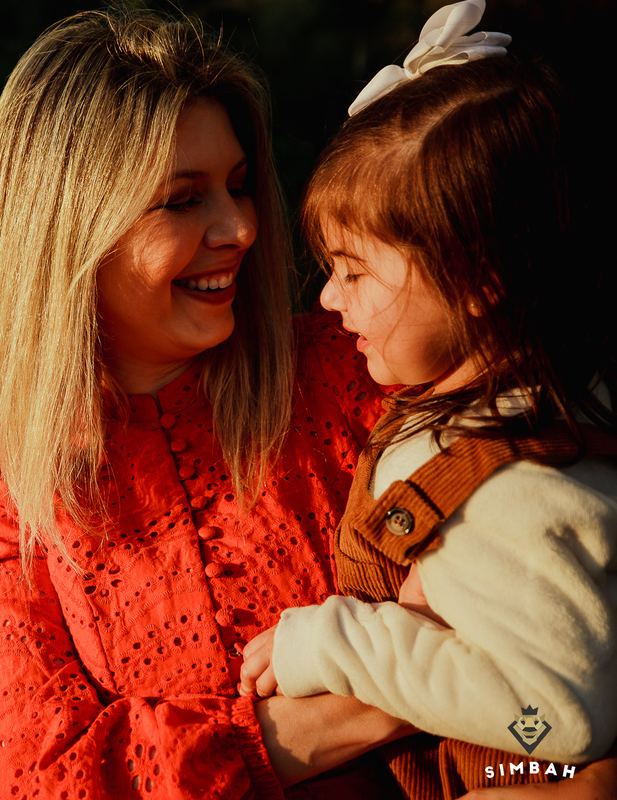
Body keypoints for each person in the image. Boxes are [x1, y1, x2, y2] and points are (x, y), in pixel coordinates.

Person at [0, 8, 617, 800]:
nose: (242, 226)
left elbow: (568, 613)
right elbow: (47, 780)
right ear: (72, 227)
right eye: (182, 200)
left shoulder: (359, 360)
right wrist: (384, 689)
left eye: (237, 185)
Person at [236, 1, 617, 795]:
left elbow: (551, 720)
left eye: (354, 269)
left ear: (479, 278)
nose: (331, 302)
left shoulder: (514, 493)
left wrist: (339, 644)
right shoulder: (516, 399)